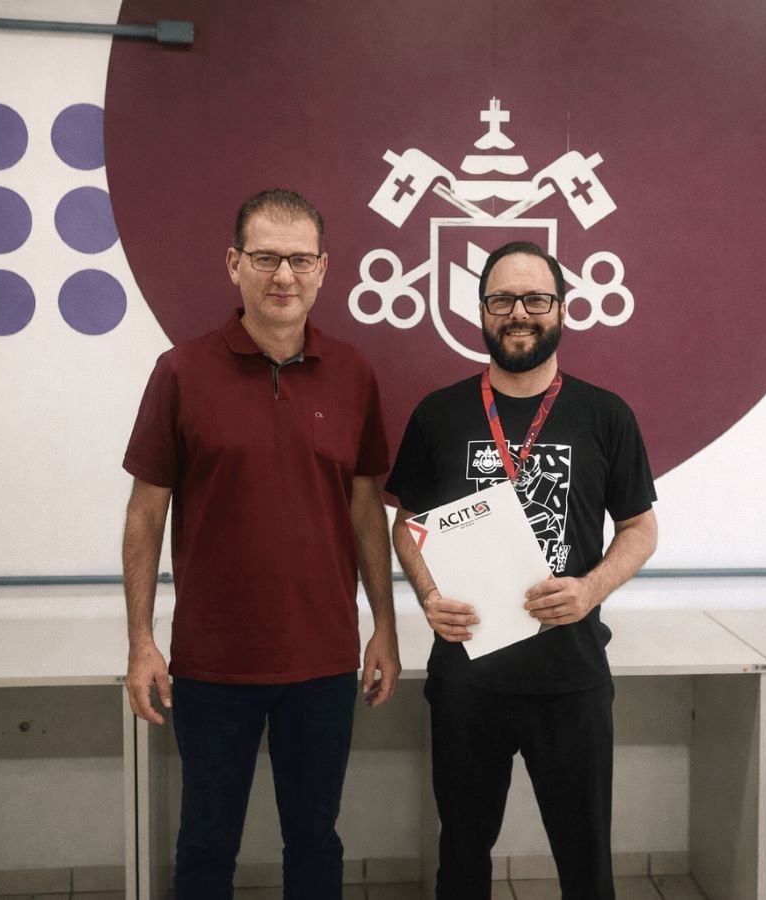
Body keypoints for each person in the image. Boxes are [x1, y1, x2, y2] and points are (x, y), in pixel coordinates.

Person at [121, 189, 400, 900]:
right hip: (214, 663)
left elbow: (366, 508)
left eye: (300, 260)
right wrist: (141, 642)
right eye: (266, 258)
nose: (283, 276)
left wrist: (386, 627)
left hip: (324, 659)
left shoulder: (354, 374)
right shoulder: (181, 372)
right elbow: (145, 515)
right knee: (206, 845)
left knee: (315, 842)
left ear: (323, 269)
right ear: (233, 264)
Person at [388, 241, 658, 900]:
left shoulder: (606, 415)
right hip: (466, 676)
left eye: (535, 299)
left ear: (561, 309)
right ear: (481, 311)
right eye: (502, 299)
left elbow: (640, 529)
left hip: (570, 678)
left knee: (586, 864)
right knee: (461, 860)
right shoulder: (438, 414)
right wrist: (428, 594)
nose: (519, 313)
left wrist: (590, 588)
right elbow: (406, 524)